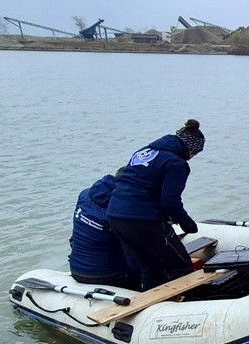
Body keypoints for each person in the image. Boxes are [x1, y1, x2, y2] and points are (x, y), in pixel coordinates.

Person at [107, 119, 205, 291]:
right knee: (181, 268)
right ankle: (188, 306)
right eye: (195, 153)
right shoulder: (176, 163)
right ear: (190, 149)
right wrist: (187, 224)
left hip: (115, 216)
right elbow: (170, 202)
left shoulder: (144, 151)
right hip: (143, 220)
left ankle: (152, 305)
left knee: (150, 267)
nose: (193, 157)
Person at [68, 174, 137, 288]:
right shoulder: (119, 210)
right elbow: (131, 255)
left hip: (76, 268)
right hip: (106, 275)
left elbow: (73, 238)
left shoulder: (84, 195)